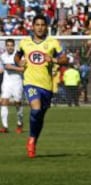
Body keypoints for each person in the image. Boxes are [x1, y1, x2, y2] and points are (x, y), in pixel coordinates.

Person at [14, 14, 68, 158]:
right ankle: (31, 140)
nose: (40, 27)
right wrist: (19, 62)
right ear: (32, 26)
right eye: (37, 25)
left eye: (42, 25)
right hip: (30, 82)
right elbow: (17, 56)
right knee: (36, 109)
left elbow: (64, 59)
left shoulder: (52, 42)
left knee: (40, 116)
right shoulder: (24, 42)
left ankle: (33, 140)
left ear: (46, 27)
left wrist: (54, 59)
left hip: (47, 86)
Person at [0, 38, 24, 134]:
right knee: (4, 102)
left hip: (17, 83)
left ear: (14, 46)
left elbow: (23, 69)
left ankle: (19, 123)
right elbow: (2, 69)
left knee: (17, 103)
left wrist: (12, 67)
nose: (10, 47)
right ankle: (5, 127)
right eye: (8, 45)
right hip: (6, 83)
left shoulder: (19, 56)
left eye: (11, 45)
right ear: (6, 46)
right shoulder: (2, 56)